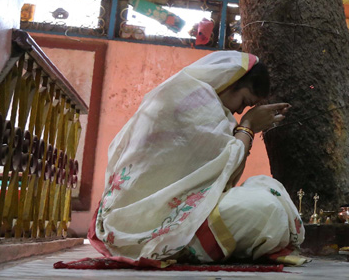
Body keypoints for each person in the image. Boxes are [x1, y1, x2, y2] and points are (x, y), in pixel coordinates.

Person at [88, 51, 306, 264]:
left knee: (268, 187)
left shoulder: (216, 113)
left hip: (186, 208)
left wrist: (246, 129)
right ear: (229, 82)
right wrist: (248, 126)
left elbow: (225, 178)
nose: (240, 110)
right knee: (264, 209)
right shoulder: (190, 101)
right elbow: (226, 169)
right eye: (244, 101)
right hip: (146, 221)